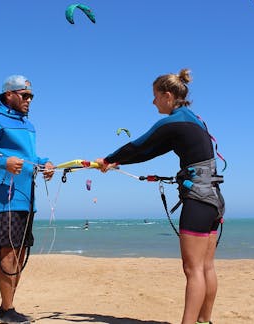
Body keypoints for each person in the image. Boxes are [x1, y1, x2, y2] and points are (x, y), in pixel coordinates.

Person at [95, 68, 225, 324]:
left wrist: (108, 160)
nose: (152, 102)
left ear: (167, 96)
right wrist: (117, 162)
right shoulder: (195, 119)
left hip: (198, 200)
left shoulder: (173, 121)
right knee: (206, 267)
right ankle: (204, 321)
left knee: (193, 269)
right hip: (214, 199)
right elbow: (150, 151)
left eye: (154, 96)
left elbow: (140, 145)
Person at [0, 75, 54, 324]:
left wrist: (44, 163)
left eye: (31, 96)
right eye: (25, 95)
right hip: (5, 198)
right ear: (9, 95)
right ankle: (7, 310)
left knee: (21, 253)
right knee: (9, 251)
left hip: (28, 199)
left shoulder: (28, 125)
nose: (29, 100)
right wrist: (2, 162)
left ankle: (9, 307)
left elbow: (29, 157)